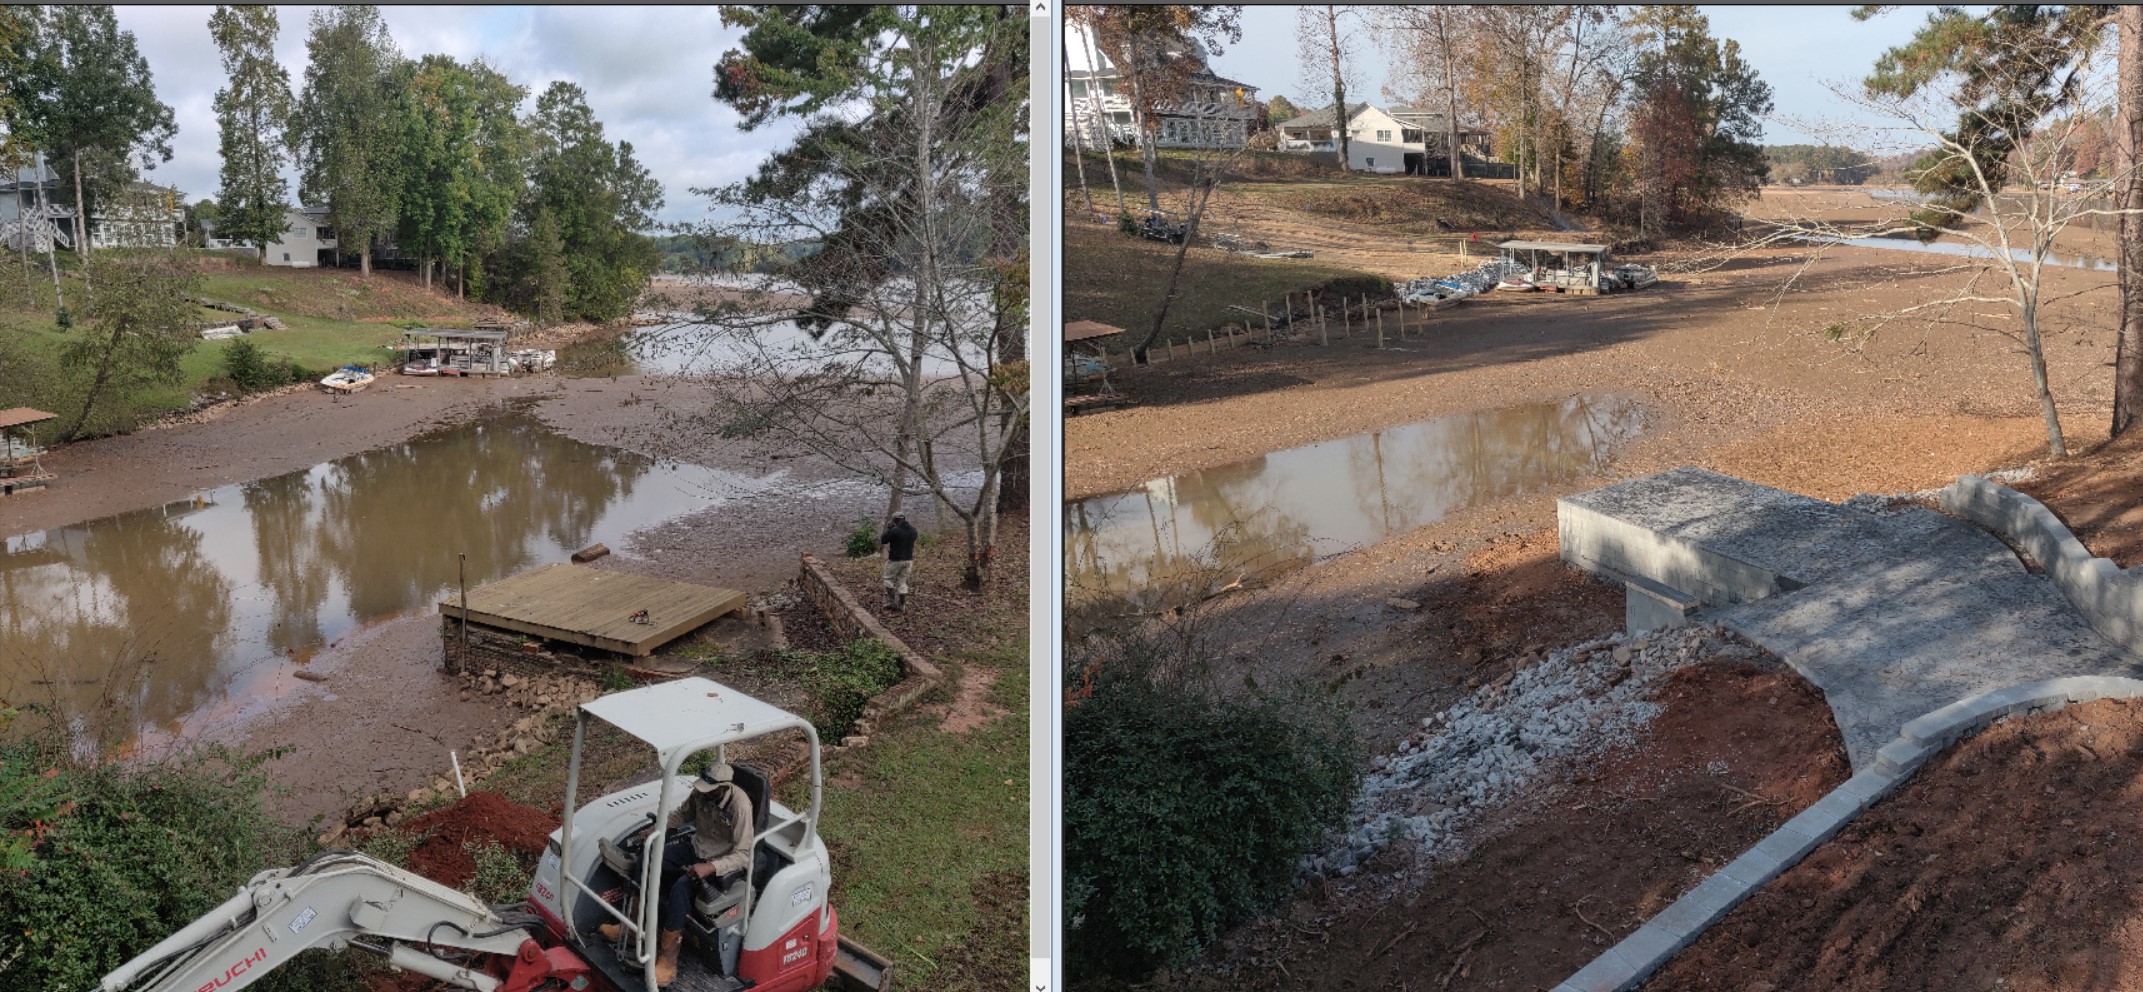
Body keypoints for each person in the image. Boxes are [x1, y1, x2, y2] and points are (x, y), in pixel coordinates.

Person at [599, 762, 754, 986]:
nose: (702, 793)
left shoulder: (740, 807)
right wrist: (656, 830)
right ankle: (633, 928)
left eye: (709, 791)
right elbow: (682, 814)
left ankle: (668, 962)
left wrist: (710, 867)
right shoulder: (703, 794)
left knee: (682, 887)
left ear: (723, 787)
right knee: (649, 858)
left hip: (720, 861)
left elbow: (744, 854)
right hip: (696, 847)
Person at [879, 511, 918, 613]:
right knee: (902, 582)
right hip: (908, 560)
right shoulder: (913, 530)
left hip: (895, 560)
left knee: (888, 579)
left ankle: (892, 603)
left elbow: (883, 540)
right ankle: (902, 605)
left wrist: (889, 529)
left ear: (895, 520)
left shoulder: (894, 530)